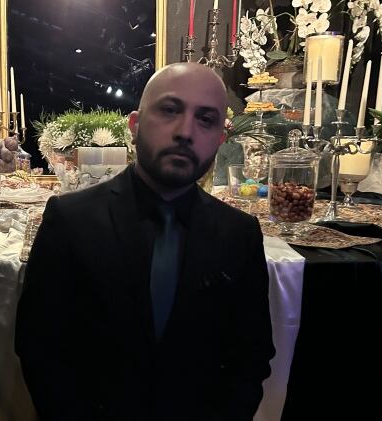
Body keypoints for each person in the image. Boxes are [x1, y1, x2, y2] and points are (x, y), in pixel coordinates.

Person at [15, 62, 274, 421]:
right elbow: (40, 349)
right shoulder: (70, 220)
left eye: (206, 119)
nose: (185, 131)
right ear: (134, 126)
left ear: (220, 139)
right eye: (170, 110)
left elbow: (251, 357)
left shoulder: (240, 233)